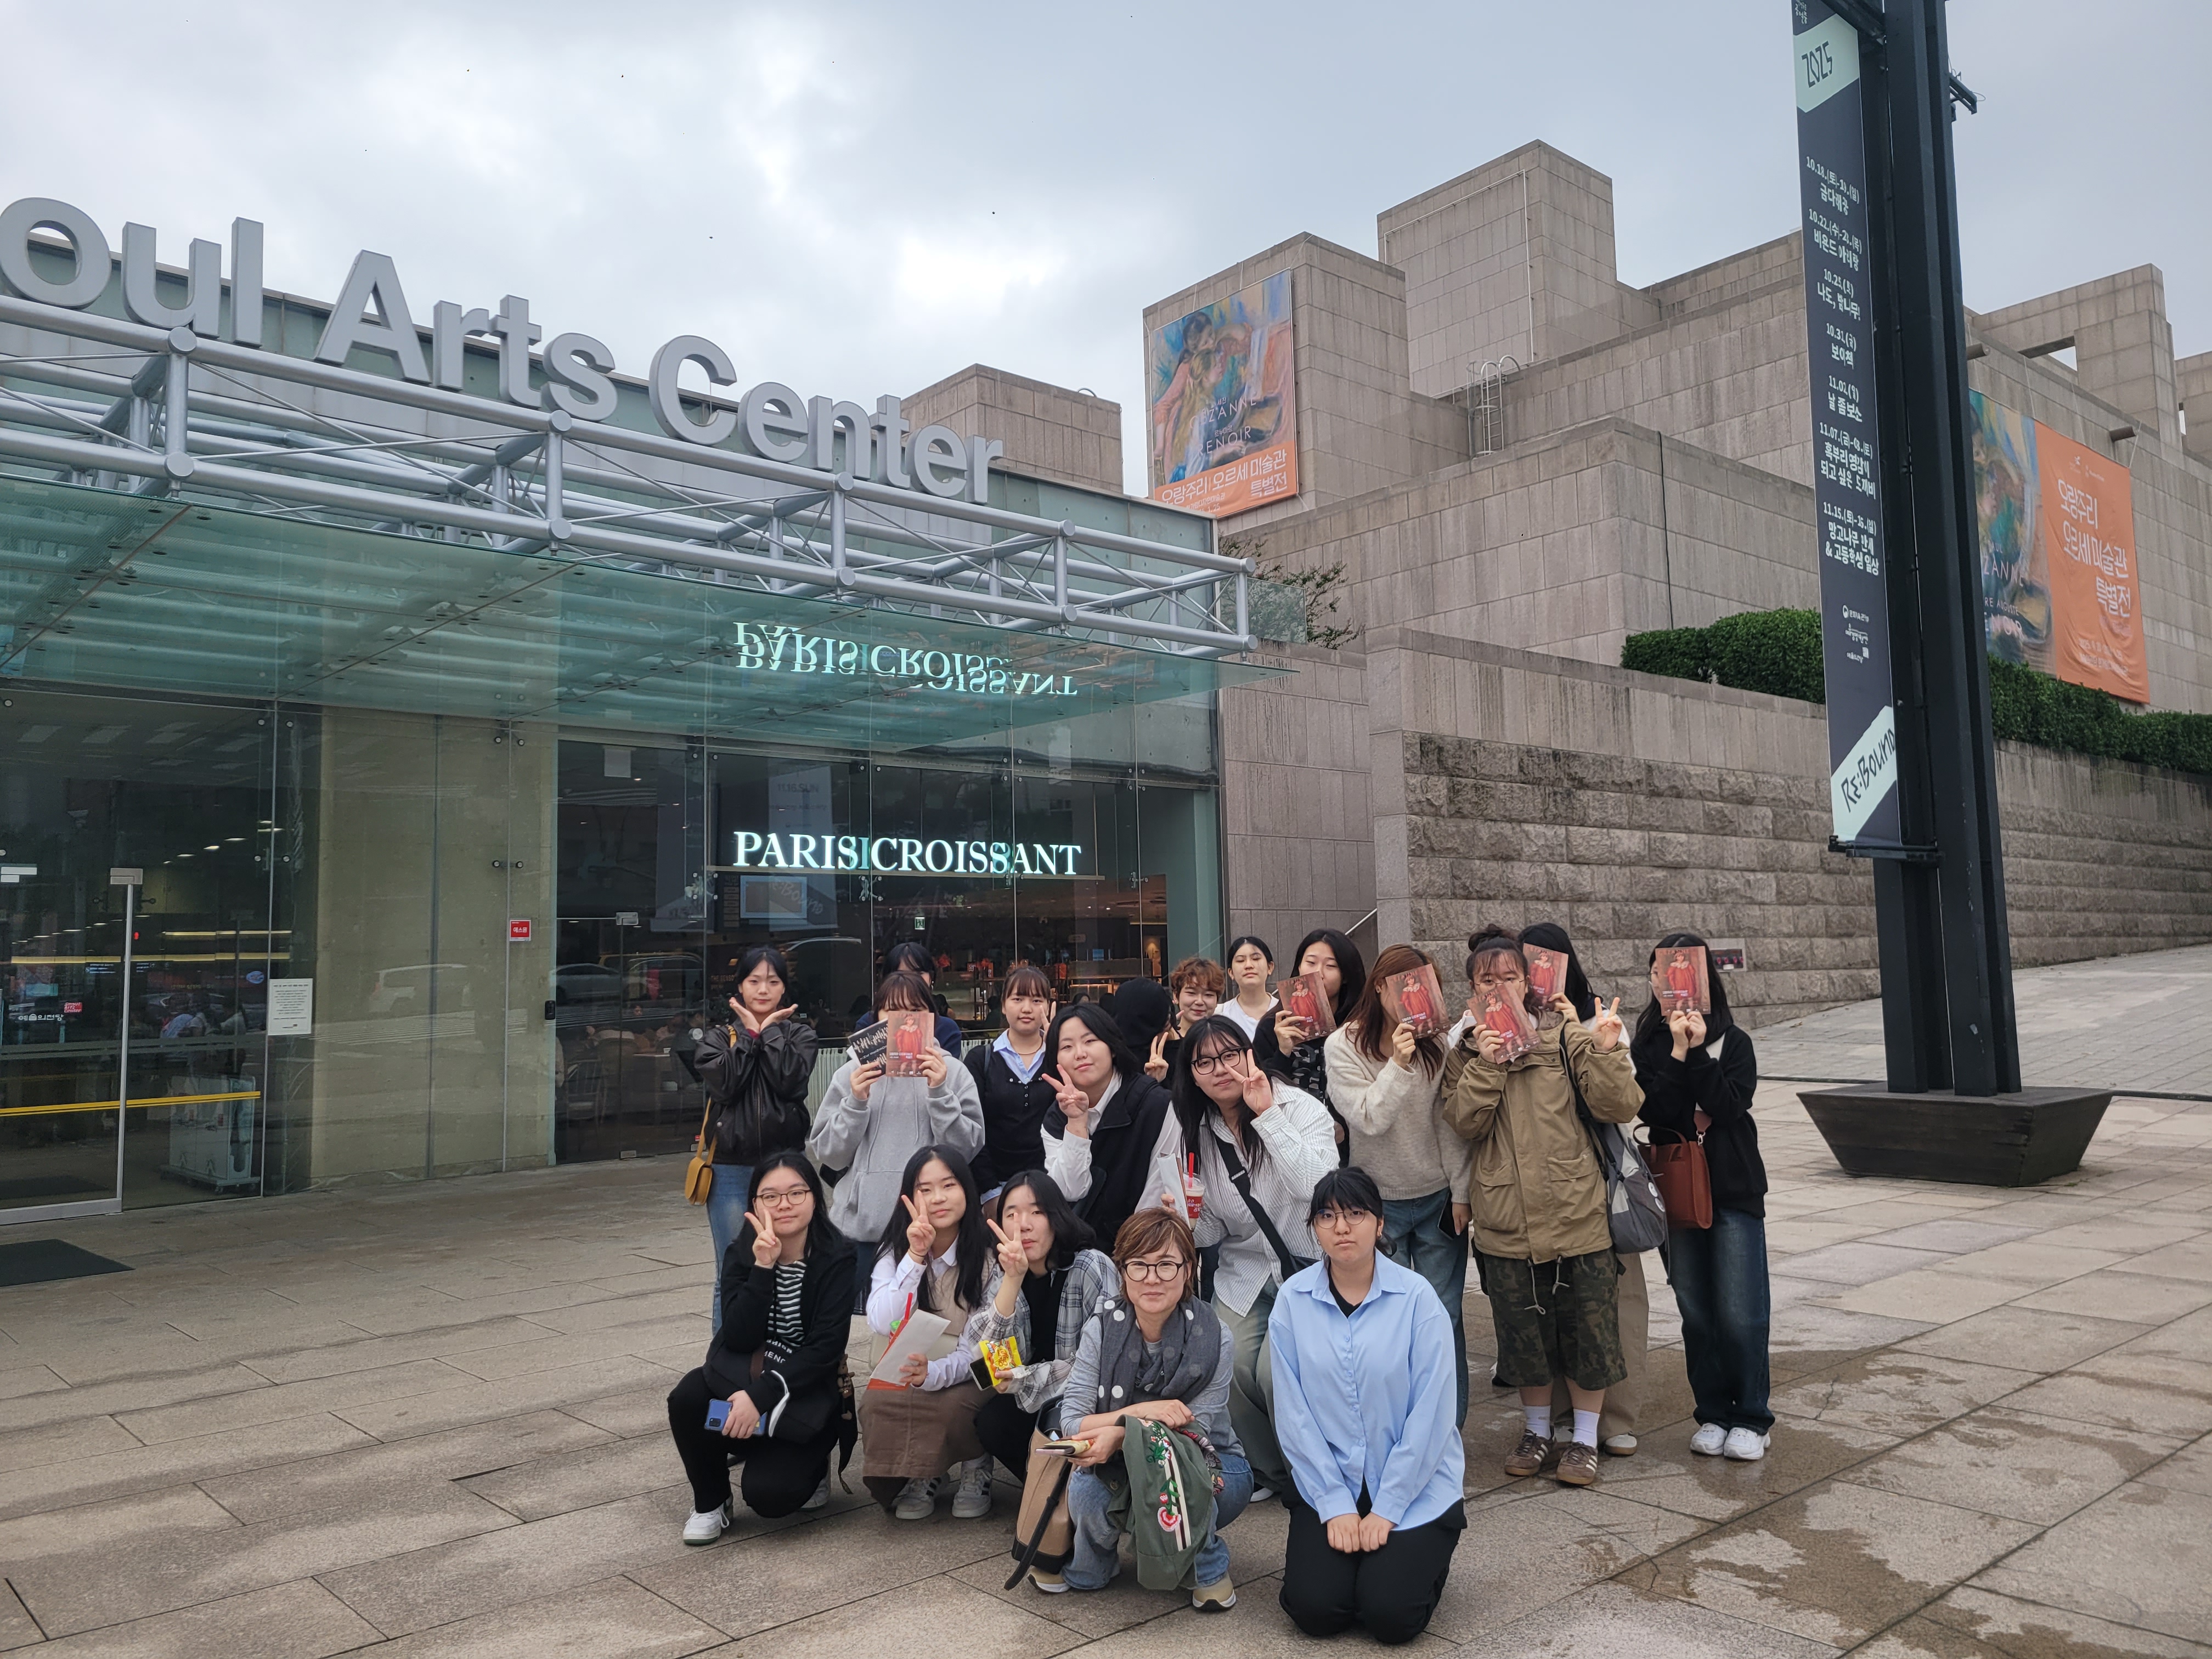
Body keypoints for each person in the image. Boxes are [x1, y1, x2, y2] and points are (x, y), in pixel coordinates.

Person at [1440, 924, 1641, 1489]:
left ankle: (1582, 1441)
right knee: (1523, 1337)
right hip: (1507, 1219)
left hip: (1577, 1211)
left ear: (1529, 980)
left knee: (1590, 1334)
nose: (1500, 986)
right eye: (1488, 979)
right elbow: (1463, 1122)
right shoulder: (1466, 1050)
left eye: (1510, 975)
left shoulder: (1565, 1034)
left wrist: (1605, 1049)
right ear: (1473, 991)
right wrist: (1488, 1061)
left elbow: (1619, 1102)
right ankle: (1535, 1433)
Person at [1270, 1168, 1466, 1645]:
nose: (1342, 1227)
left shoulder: (1418, 1300)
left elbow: (1433, 1414)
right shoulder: (1293, 1301)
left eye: (1356, 1214)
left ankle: (1415, 1561)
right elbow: (1293, 1415)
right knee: (1317, 1613)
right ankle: (1358, 1564)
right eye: (1328, 1216)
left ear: (1380, 1224)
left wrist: (1389, 1507)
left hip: (1414, 1484)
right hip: (1330, 1480)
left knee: (1391, 1619)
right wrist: (1335, 1505)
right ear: (1314, 1227)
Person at [1166, 1014, 1338, 1505]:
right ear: (1193, 1074)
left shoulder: (1299, 1108)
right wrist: (1187, 1215)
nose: (1220, 1068)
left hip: (1309, 1268)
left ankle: (1310, 1474)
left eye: (1229, 1055)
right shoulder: (1198, 1134)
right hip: (1246, 1272)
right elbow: (1220, 1229)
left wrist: (1267, 1117)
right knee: (1227, 1360)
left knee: (1272, 1372)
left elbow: (1318, 1187)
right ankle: (1270, 1470)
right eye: (1205, 1061)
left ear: (1249, 1055)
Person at [1060, 1208, 1254, 1611]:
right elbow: (1073, 1420)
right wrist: (1140, 1416)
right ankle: (1097, 1560)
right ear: (1122, 1271)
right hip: (1115, 1464)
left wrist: (1120, 1432)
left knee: (1177, 1479)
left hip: (1207, 1462)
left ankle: (1207, 1566)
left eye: (1166, 1265)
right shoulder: (1101, 1327)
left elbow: (1192, 1428)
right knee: (1086, 1492)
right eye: (1139, 1265)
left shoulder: (1215, 1335)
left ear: (1188, 1269)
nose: (1151, 1278)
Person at [1632, 929, 1772, 1462]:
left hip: (1733, 1189)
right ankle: (1712, 1411)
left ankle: (1753, 1417)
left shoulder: (1733, 1042)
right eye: (1660, 971)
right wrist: (1674, 1048)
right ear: (1653, 980)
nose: (1671, 982)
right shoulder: (1647, 1043)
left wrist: (1697, 1053)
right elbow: (1655, 1111)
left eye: (1684, 970)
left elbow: (1730, 1105)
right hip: (1677, 1191)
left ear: (1705, 980)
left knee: (1741, 1311)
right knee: (1697, 1311)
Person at [666, 1153, 854, 1544]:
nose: (784, 1204)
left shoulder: (836, 1256)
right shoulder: (743, 1252)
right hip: (741, 1397)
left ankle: (812, 1462)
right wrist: (763, 1268)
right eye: (770, 1196)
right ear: (755, 1204)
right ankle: (711, 1500)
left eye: (796, 1193)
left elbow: (826, 1347)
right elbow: (737, 1337)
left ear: (815, 1198)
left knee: (771, 1497)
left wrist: (762, 1394)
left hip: (804, 1399)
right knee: (689, 1399)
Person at [1322, 945, 1474, 1424]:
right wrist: (1399, 1065)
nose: (1411, 994)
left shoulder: (1439, 1043)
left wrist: (1462, 1191)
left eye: (1421, 984)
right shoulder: (1342, 1045)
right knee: (1382, 1323)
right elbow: (1369, 1119)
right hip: (1376, 1203)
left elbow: (1449, 1123)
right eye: (1401, 984)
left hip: (1436, 1198)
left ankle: (1446, 1427)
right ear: (1380, 987)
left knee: (1442, 1318)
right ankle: (1389, 1425)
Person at [1522, 920, 1654, 1459]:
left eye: (1549, 960)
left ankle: (1616, 1416)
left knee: (1617, 1300)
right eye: (1526, 961)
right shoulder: (1507, 1025)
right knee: (1546, 1303)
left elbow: (1622, 1102)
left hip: (1598, 1181)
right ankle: (1556, 1413)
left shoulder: (1601, 1019)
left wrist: (1595, 1040)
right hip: (1537, 1184)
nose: (1538, 971)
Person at [955, 1171, 1120, 1529]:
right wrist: (1013, 1281)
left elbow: (1105, 1360)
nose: (1023, 1225)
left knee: (1061, 1419)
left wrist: (1021, 1378)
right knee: (992, 1421)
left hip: (1085, 1400)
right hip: (1028, 1396)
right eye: (1011, 1214)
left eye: (1036, 1212)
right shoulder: (1004, 1273)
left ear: (1057, 1217)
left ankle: (1077, 1495)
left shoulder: (1091, 1266)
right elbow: (978, 1354)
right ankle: (1045, 1493)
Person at [806, 971, 983, 1296]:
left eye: (916, 1010)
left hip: (936, 1228)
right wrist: (856, 1102)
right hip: (864, 1229)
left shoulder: (953, 1071)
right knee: (863, 1328)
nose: (906, 1020)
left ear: (931, 1017)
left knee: (933, 1331)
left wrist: (940, 1093)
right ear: (877, 1019)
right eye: (893, 1010)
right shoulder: (852, 1072)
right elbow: (829, 1153)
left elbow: (967, 1149)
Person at [860, 1145, 996, 1519]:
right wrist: (916, 1258)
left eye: (948, 1185)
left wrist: (934, 1375)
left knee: (956, 1406)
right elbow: (880, 1320)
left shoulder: (989, 1254)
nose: (938, 1198)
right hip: (914, 1359)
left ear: (967, 1190)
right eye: (925, 1189)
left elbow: (983, 1346)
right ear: (909, 1196)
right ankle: (925, 1471)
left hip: (976, 1364)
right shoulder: (895, 1249)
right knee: (877, 1402)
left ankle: (975, 1463)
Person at [693, 947, 819, 1333]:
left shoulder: (801, 1035)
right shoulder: (716, 1038)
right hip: (731, 1169)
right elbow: (726, 1086)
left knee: (794, 1265)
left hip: (785, 1168)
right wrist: (749, 1036)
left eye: (773, 981)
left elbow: (790, 1081)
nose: (763, 989)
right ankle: (726, 1365)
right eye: (754, 981)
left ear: (784, 989)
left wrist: (772, 1034)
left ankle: (786, 1355)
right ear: (740, 988)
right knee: (732, 1269)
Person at [1039, 1002, 1181, 1246]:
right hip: (1079, 1256)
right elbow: (1071, 1191)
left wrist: (1132, 1259)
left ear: (1112, 1048)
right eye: (1067, 1047)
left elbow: (1157, 1191)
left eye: (1090, 1041)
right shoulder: (1056, 1118)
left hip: (1144, 1250)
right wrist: (1076, 1122)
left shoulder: (1157, 1106)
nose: (1080, 1053)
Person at [1255, 928, 1365, 1133]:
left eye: (1331, 966)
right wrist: (1283, 1051)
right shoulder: (1272, 1025)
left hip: (1351, 1146)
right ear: (1299, 966)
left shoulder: (1360, 1026)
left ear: (1346, 976)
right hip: (1292, 1138)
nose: (1318, 973)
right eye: (1311, 963)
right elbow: (1260, 1089)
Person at [965, 966, 1059, 1192]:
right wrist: (989, 1191)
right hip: (994, 1187)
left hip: (1052, 1187)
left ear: (1049, 1006)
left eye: (1037, 1000)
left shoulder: (1060, 1059)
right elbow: (973, 1131)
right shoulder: (981, 1060)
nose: (1027, 1008)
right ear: (1004, 1007)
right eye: (1018, 999)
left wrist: (1058, 1043)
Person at [881, 941, 965, 1058]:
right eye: (900, 973)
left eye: (918, 974)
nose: (909, 980)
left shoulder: (947, 1029)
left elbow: (953, 1073)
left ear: (931, 977)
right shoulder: (868, 1025)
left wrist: (943, 1075)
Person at [1218, 936, 1277, 1040]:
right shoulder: (1220, 1014)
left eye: (1256, 959)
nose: (1249, 965)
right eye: (1241, 961)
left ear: (1270, 967)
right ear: (1231, 973)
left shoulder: (1285, 1010)